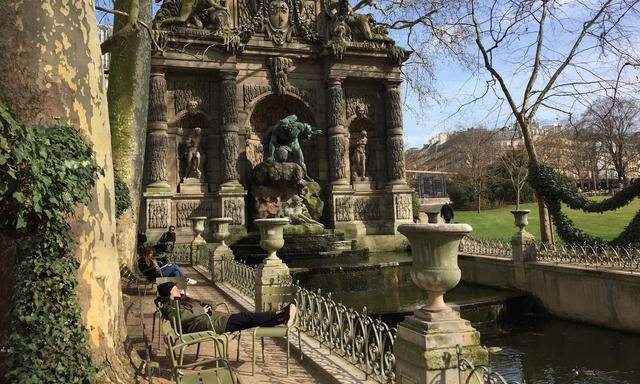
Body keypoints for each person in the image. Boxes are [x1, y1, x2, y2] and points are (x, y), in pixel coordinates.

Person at [156, 282, 296, 334]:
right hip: (206, 325)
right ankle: (281, 313)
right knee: (246, 317)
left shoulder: (182, 300)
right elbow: (180, 317)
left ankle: (282, 317)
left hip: (212, 319)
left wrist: (206, 304)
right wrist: (202, 310)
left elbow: (211, 303)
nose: (179, 290)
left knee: (248, 321)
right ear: (169, 294)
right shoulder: (169, 308)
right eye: (175, 289)